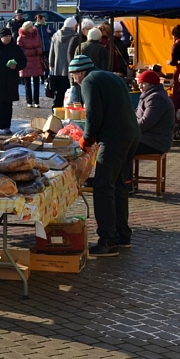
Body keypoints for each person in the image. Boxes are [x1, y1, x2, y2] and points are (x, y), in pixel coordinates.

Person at [70, 54, 139, 256]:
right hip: (131, 134)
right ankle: (123, 235)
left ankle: (108, 241)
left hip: (114, 139)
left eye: (74, 76)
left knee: (103, 186)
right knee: (118, 184)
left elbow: (93, 114)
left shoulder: (89, 81)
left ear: (80, 72)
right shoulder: (111, 76)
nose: (75, 80)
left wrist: (87, 139)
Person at [134, 70, 175, 158]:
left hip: (155, 143)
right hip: (148, 139)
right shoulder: (148, 95)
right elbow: (136, 114)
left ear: (152, 84)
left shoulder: (156, 98)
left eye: (143, 83)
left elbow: (146, 122)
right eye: (139, 83)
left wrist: (127, 128)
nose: (140, 86)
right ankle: (123, 171)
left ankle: (122, 172)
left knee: (119, 148)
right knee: (119, 144)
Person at [49, 17, 78, 108]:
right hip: (71, 69)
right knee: (71, 93)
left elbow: (52, 52)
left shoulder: (55, 35)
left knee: (59, 93)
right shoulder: (76, 37)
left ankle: (56, 110)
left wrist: (51, 65)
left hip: (58, 68)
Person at [17, 21, 45, 108]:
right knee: (27, 83)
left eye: (32, 26)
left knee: (37, 82)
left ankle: (36, 101)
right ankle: (29, 101)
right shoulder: (21, 38)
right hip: (26, 62)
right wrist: (34, 51)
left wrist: (38, 51)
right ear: (26, 28)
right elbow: (20, 51)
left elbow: (41, 47)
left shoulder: (36, 35)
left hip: (36, 62)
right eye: (30, 27)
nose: (32, 28)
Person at [34, 14, 54, 84]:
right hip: (39, 48)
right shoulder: (35, 28)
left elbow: (55, 34)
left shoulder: (47, 26)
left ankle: (46, 77)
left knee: (47, 63)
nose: (43, 20)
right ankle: (41, 77)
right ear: (37, 20)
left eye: (44, 19)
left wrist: (50, 32)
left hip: (48, 47)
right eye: (41, 19)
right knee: (40, 64)